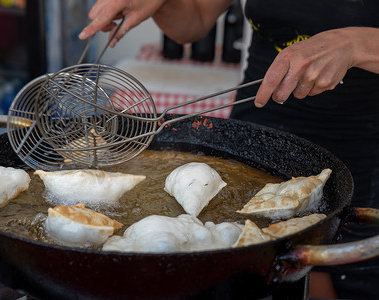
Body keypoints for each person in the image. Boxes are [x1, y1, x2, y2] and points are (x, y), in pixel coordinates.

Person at [79, 1, 379, 299]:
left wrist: (356, 44)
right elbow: (195, 19)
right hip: (257, 136)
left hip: (365, 149)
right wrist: (163, 3)